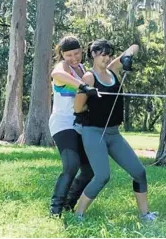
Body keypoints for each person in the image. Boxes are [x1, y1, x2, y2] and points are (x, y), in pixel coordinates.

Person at [73, 39, 157, 221]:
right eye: (102, 54)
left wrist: (126, 58)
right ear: (93, 55)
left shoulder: (113, 70)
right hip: (94, 132)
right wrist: (93, 101)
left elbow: (133, 47)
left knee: (139, 172)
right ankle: (78, 214)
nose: (106, 57)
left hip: (113, 133)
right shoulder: (88, 77)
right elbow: (78, 108)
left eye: (109, 54)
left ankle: (145, 215)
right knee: (102, 176)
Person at [49, 35, 99, 218]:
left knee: (89, 171)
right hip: (62, 123)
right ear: (62, 54)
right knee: (71, 165)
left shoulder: (84, 69)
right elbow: (56, 75)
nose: (74, 58)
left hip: (79, 125)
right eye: (69, 55)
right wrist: (83, 87)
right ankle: (55, 210)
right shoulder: (63, 67)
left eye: (76, 53)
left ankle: (68, 205)